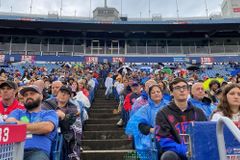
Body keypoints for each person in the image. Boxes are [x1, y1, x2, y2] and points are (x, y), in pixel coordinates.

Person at [155, 78, 207, 160]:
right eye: (177, 88)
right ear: (171, 92)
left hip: (197, 152)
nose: (182, 90)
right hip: (176, 154)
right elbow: (163, 139)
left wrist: (196, 149)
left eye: (184, 87)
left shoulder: (198, 112)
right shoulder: (163, 113)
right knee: (168, 156)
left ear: (188, 91)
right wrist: (185, 150)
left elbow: (205, 134)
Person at [6, 85, 58, 160]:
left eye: (32, 93)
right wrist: (37, 128)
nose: (28, 96)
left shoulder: (49, 113)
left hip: (37, 152)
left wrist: (19, 126)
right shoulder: (17, 112)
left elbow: (47, 127)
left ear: (41, 96)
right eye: (26, 95)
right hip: (13, 151)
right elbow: (9, 123)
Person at [43, 85, 82, 160]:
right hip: (47, 133)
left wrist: (64, 117)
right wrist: (55, 114)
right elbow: (41, 117)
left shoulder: (73, 108)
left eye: (66, 93)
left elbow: (70, 126)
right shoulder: (47, 104)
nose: (63, 95)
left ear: (69, 96)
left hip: (63, 136)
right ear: (57, 93)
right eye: (61, 92)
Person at [126, 84, 169, 150]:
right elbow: (138, 123)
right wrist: (150, 129)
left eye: (158, 91)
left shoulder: (169, 106)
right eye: (153, 92)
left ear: (162, 93)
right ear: (150, 95)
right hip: (151, 138)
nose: (156, 94)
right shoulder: (145, 109)